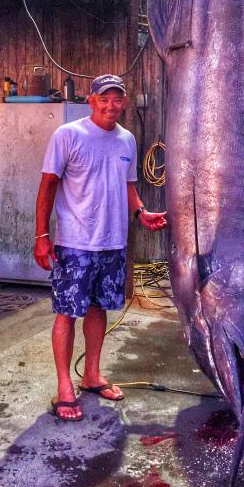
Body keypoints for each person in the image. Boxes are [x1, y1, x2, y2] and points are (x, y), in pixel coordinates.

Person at [33, 73, 167, 422]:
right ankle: (65, 385)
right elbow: (48, 186)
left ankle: (91, 374)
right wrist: (41, 236)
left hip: (113, 242)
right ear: (91, 100)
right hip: (75, 242)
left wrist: (141, 211)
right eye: (103, 98)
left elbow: (128, 185)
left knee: (97, 309)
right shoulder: (69, 135)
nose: (111, 105)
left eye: (117, 98)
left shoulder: (127, 140)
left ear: (124, 101)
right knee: (67, 311)